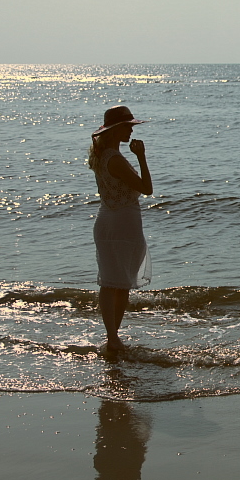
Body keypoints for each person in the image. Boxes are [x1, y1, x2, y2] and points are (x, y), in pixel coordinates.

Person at [88, 106, 153, 351]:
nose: (131, 130)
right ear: (115, 130)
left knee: (116, 282)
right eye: (128, 126)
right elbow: (146, 188)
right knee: (115, 283)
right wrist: (142, 157)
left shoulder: (104, 154)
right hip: (121, 223)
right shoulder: (114, 159)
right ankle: (112, 337)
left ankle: (113, 337)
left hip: (110, 220)